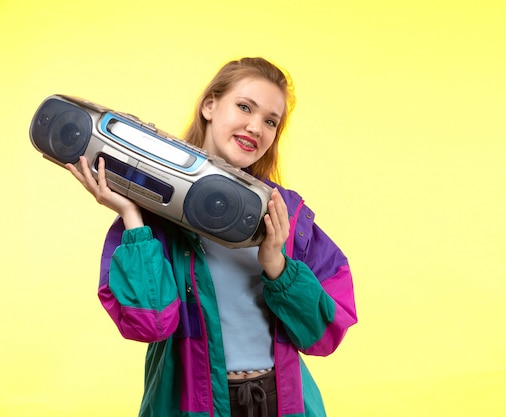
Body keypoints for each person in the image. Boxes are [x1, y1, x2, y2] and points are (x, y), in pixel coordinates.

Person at [67, 57, 357, 417]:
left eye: (270, 121)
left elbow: (325, 333)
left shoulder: (287, 215)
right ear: (209, 105)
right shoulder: (152, 219)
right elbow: (149, 323)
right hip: (194, 404)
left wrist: (277, 266)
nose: (256, 127)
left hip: (284, 403)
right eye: (244, 107)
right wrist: (131, 215)